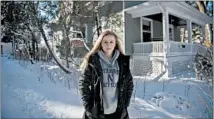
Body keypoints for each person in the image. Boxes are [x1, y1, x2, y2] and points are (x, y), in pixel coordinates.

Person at [79, 30, 134, 119]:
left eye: (111, 42)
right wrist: (88, 107)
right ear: (100, 43)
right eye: (105, 42)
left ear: (115, 43)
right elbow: (83, 85)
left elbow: (129, 85)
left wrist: (125, 105)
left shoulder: (122, 62)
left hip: (118, 113)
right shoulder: (93, 61)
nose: (108, 45)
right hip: (97, 112)